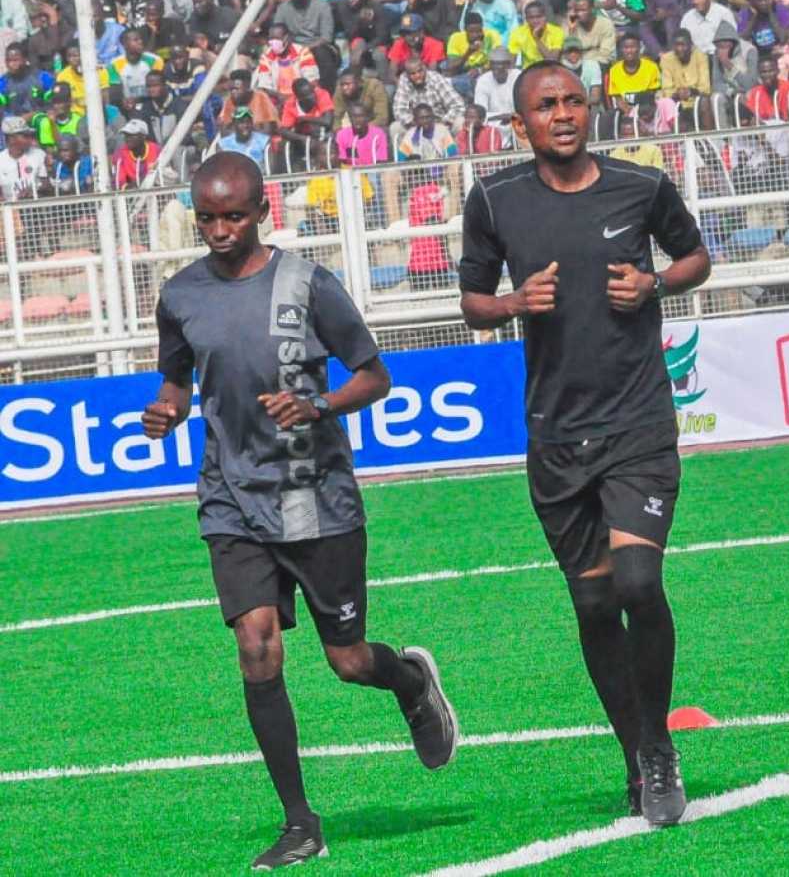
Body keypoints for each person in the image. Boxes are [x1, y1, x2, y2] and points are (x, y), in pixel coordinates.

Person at [139, 152, 458, 870]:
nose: (220, 230)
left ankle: (410, 682)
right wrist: (166, 410)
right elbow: (177, 383)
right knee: (256, 647)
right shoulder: (180, 295)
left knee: (348, 661)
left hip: (315, 497)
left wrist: (317, 405)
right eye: (207, 218)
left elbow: (375, 377)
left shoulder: (309, 283)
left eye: (234, 216)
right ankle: (299, 822)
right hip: (230, 498)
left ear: (262, 211)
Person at [457, 63, 711, 826]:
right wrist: (512, 302)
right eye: (546, 105)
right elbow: (471, 302)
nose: (563, 114)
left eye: (573, 100)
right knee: (596, 603)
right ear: (521, 124)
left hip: (638, 424)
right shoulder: (494, 200)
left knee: (638, 583)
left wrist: (655, 285)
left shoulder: (641, 186)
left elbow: (696, 257)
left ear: (589, 109)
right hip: (556, 435)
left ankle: (659, 748)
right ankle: (634, 755)